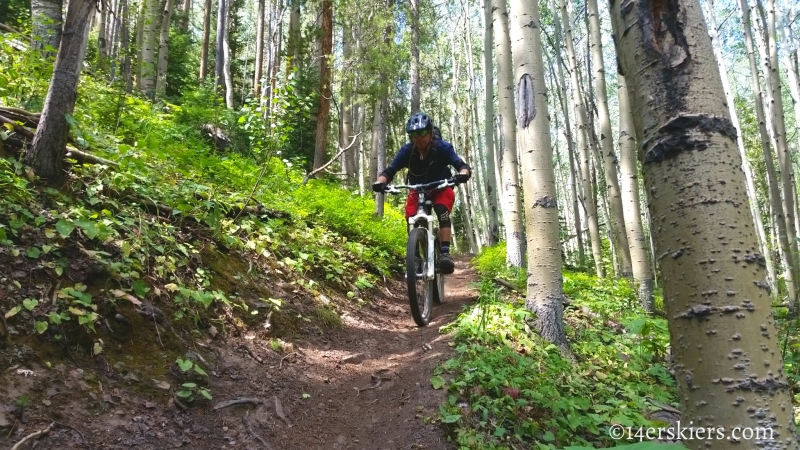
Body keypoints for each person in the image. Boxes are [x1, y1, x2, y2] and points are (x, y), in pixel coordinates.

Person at [372, 112, 471, 275]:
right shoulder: (407, 151)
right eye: (414, 134)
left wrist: (463, 173)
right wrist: (381, 182)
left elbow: (461, 164)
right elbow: (390, 170)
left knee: (441, 210)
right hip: (418, 189)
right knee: (411, 217)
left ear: (431, 133)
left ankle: (445, 253)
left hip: (441, 186)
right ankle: (415, 257)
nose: (419, 138)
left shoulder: (442, 148)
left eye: (423, 133)